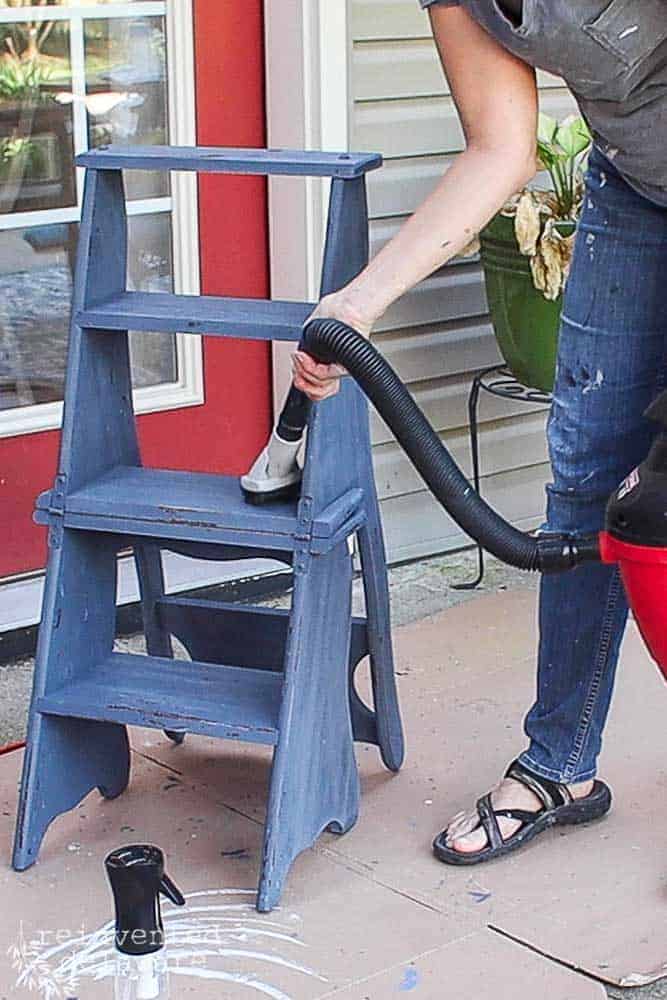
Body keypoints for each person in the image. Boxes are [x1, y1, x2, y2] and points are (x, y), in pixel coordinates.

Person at [265, 2, 667, 863]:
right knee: (588, 476)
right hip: (637, 190)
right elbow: (500, 146)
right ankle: (560, 764)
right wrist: (357, 305)